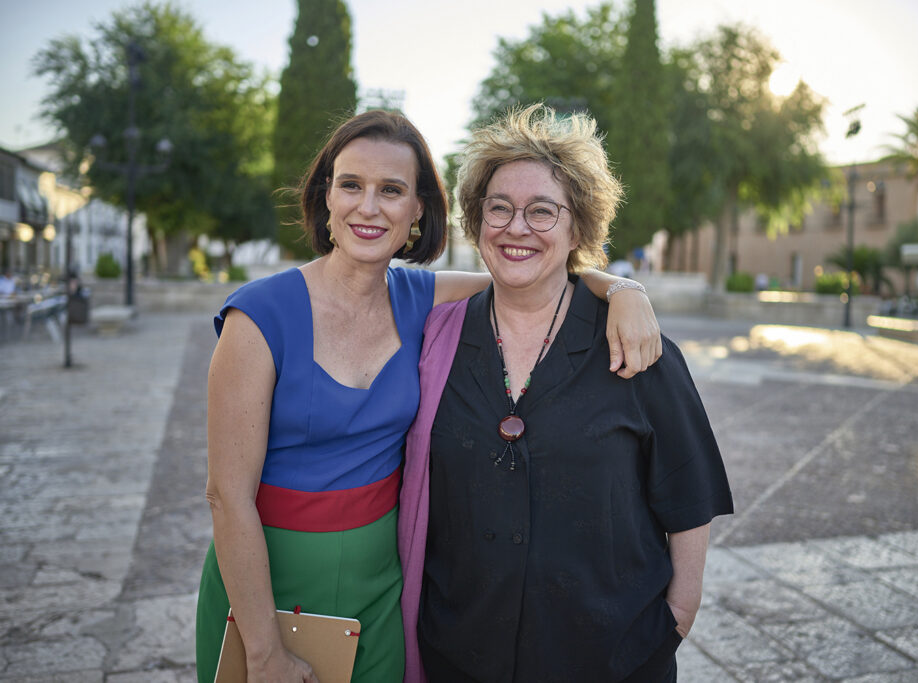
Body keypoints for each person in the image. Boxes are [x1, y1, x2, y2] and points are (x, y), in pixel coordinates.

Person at [194, 109, 663, 683]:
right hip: (266, 584)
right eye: (351, 185)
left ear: (418, 209)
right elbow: (226, 496)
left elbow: (531, 273)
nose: (369, 207)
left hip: (383, 589)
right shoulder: (259, 315)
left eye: (391, 190)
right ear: (326, 197)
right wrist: (265, 650)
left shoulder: (421, 298)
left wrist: (623, 287)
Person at [399, 104, 733, 683]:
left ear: (579, 226)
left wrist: (676, 617)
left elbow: (689, 496)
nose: (517, 227)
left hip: (611, 659)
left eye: (542, 211)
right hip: (459, 655)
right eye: (498, 208)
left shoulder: (637, 348)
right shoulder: (435, 341)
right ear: (477, 222)